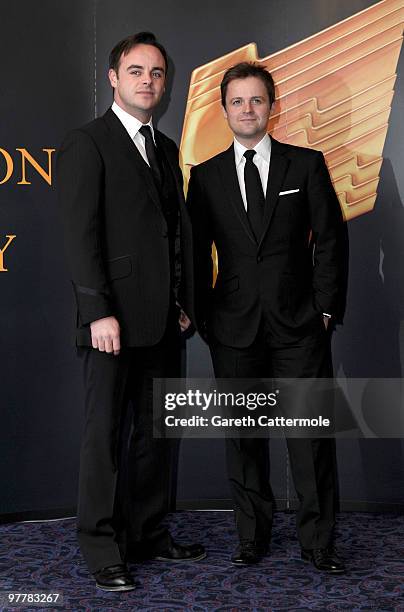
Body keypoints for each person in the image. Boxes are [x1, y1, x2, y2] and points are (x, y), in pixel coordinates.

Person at [57, 31, 205, 592]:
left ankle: (145, 532)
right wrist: (97, 311)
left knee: (155, 433)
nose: (148, 81)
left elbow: (170, 234)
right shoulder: (86, 142)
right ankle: (101, 546)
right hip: (110, 323)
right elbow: (81, 234)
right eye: (136, 71)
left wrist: (183, 303)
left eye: (157, 73)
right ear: (114, 78)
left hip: (163, 319)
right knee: (104, 436)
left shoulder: (165, 149)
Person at [187, 62, 345, 574]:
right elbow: (193, 253)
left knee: (309, 438)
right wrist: (202, 314)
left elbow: (330, 240)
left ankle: (319, 541)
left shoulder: (306, 165)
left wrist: (324, 308)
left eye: (256, 100)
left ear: (272, 106)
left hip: (300, 323)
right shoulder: (205, 176)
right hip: (233, 328)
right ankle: (251, 536)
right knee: (243, 439)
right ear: (225, 109)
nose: (247, 110)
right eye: (237, 101)